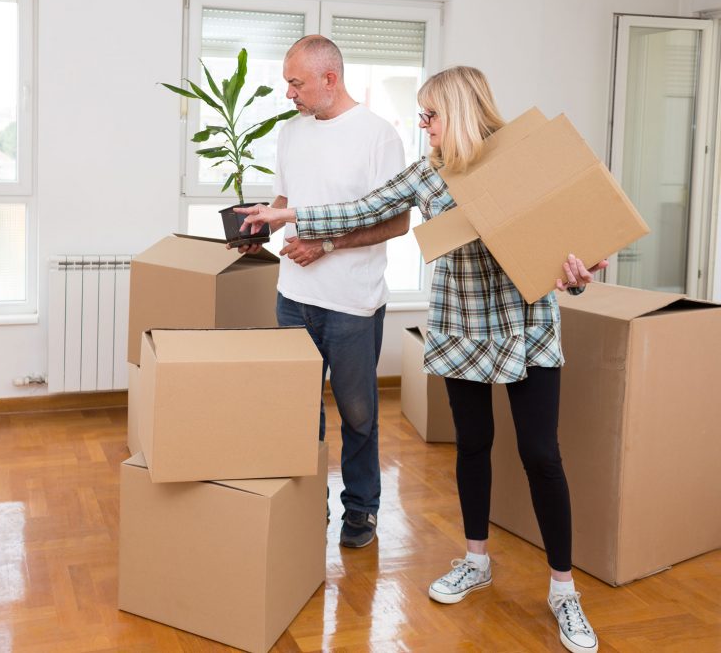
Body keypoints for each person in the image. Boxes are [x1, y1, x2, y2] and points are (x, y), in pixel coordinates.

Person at [236, 65, 604, 653]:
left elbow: (570, 259)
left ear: (458, 112)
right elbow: (365, 208)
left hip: (526, 326)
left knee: (541, 454)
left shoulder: (521, 167)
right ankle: (476, 560)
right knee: (473, 446)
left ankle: (564, 590)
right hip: (461, 326)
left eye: (430, 115)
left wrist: (578, 277)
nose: (423, 124)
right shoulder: (429, 175)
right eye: (422, 115)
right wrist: (290, 215)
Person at [237, 35, 410, 549]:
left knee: (358, 415)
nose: (289, 93)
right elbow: (290, 200)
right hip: (293, 297)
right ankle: (308, 500)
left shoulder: (379, 136)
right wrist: (258, 230)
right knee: (297, 408)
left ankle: (361, 507)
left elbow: (397, 222)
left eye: (296, 83)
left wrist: (326, 243)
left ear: (329, 79)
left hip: (353, 304)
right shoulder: (292, 133)